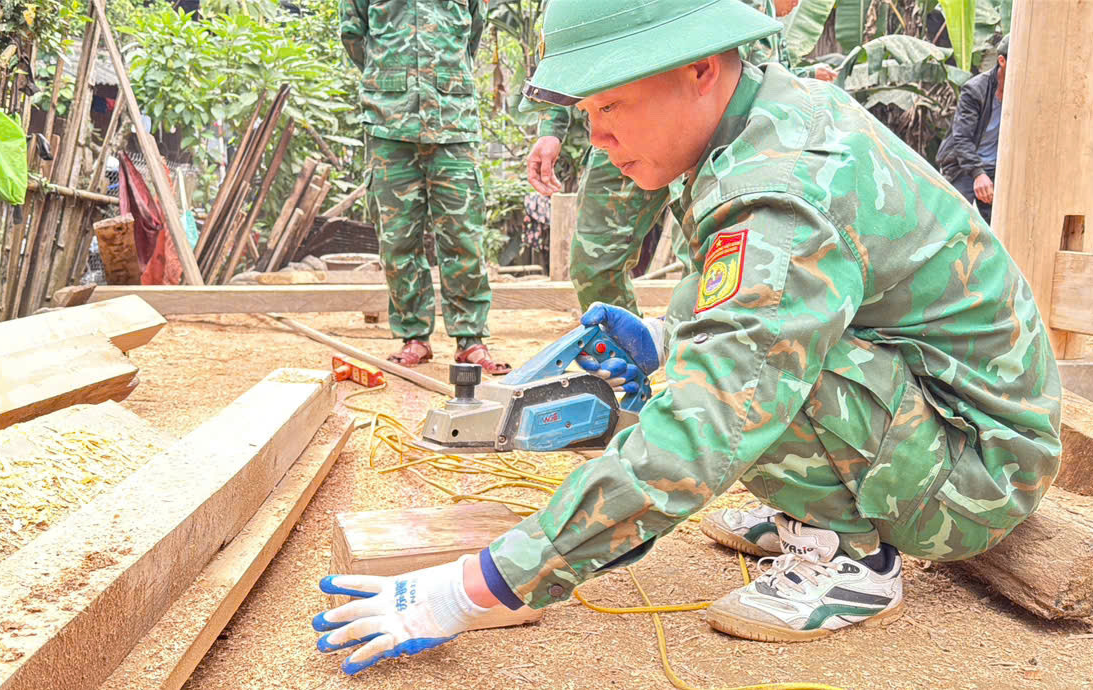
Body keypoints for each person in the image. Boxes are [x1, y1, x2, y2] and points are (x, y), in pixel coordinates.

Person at [314, 0, 1060, 675]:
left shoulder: (781, 189)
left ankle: (853, 563)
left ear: (701, 69)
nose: (596, 134)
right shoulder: (765, 117)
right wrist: (668, 336)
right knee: (731, 354)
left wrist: (483, 584)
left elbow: (716, 410)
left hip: (977, 471)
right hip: (942, 411)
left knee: (741, 382)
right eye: (585, 109)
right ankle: (820, 504)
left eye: (611, 103)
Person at [525, 0, 838, 317]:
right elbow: (586, 50)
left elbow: (746, 73)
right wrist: (552, 129)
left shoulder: (764, 20)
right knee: (594, 260)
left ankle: (696, 340)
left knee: (713, 262)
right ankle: (621, 352)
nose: (798, 5)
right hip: (638, 130)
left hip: (715, 150)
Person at [340, 0, 510, 374]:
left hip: (453, 122)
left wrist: (439, 79)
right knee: (397, 239)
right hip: (389, 123)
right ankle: (413, 336)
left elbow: (473, 32)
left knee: (464, 236)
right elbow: (353, 34)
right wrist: (391, 78)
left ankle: (470, 339)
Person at [937, 35, 1009, 224]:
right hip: (964, 167)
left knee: (999, 227)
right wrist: (978, 173)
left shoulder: (1023, 91)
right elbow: (962, 138)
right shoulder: (976, 90)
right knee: (950, 223)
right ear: (1001, 61)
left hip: (998, 169)